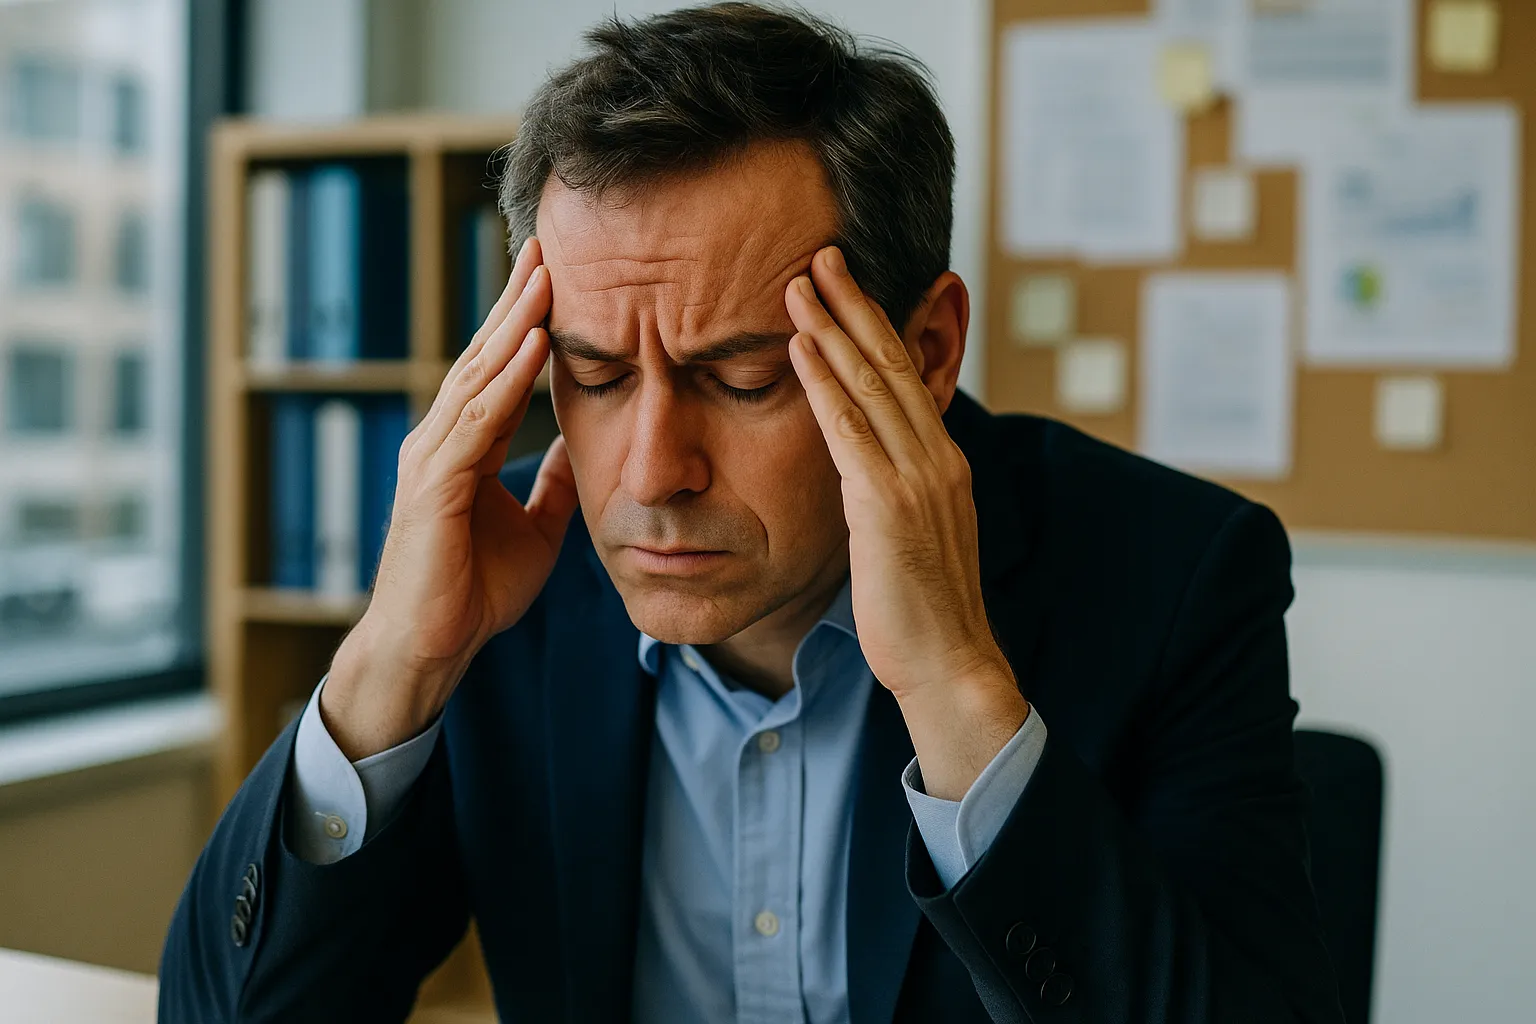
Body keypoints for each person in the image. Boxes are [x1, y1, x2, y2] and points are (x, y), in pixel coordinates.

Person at [160, 4, 1345, 1022]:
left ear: (924, 349)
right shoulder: (505, 587)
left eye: (743, 379)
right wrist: (391, 667)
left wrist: (959, 694)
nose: (652, 472)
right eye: (597, 375)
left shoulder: (1178, 576)